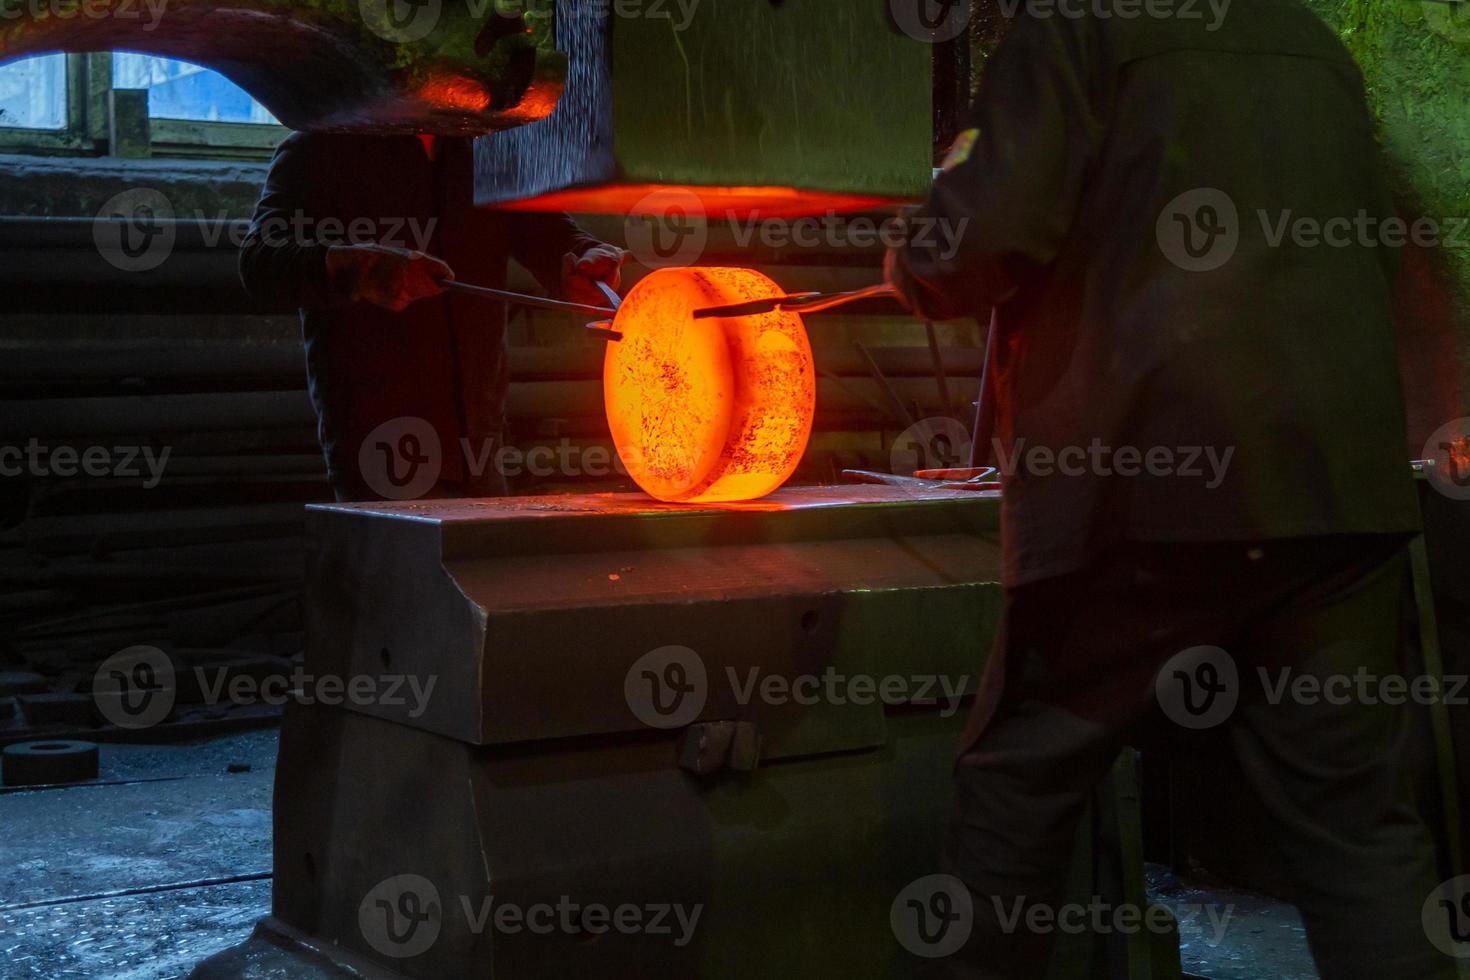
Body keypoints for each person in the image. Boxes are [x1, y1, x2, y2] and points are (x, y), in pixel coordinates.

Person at [884, 1, 1456, 977]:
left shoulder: (1069, 25)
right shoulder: (1313, 45)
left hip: (1145, 481)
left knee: (1019, 781)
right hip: (1332, 489)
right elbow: (1393, 240)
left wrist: (912, 254)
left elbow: (994, 230)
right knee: (1358, 832)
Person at [239, 132, 625, 501]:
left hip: (479, 442)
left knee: (482, 568)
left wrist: (583, 257)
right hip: (382, 447)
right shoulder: (321, 150)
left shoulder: (487, 148)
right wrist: (362, 267)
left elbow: (545, 234)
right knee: (405, 569)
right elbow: (259, 262)